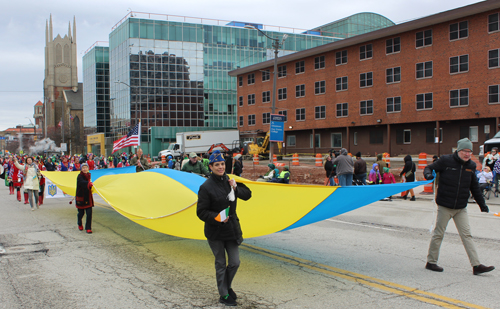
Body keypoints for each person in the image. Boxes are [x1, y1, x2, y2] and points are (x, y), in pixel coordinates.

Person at [423, 138, 494, 275]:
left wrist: (482, 204)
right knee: (439, 233)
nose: (467, 154)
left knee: (467, 235)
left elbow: (474, 186)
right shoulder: (446, 161)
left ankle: (476, 265)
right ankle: (431, 262)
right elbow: (429, 168)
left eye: (470, 151)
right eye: (465, 151)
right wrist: (427, 174)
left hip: (461, 207)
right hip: (445, 205)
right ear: (458, 150)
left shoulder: (471, 166)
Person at [197, 150, 252, 306]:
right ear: (211, 167)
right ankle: (224, 294)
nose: (220, 167)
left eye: (222, 164)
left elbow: (248, 194)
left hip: (231, 229)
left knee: (235, 262)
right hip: (215, 231)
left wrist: (235, 188)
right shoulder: (206, 187)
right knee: (221, 263)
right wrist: (217, 217)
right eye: (217, 165)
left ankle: (226, 286)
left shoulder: (230, 180)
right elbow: (201, 212)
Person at [75, 163, 94, 233]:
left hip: (87, 197)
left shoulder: (89, 175)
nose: (85, 169)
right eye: (83, 168)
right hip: (81, 197)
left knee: (89, 213)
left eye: (86, 167)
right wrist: (89, 184)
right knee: (81, 213)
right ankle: (79, 223)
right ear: (81, 169)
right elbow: (83, 183)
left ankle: (88, 227)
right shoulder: (79, 176)